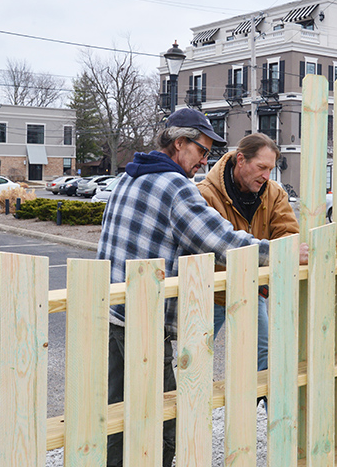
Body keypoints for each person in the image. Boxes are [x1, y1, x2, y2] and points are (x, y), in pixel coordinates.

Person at [97, 108, 284, 467]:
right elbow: (221, 241)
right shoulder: (174, 185)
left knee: (118, 415)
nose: (205, 160)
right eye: (201, 150)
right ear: (179, 142)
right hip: (143, 321)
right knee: (162, 421)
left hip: (113, 314)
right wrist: (281, 253)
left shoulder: (129, 177)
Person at [197, 133, 299, 375]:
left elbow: (288, 236)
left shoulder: (274, 193)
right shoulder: (204, 195)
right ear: (240, 160)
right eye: (261, 167)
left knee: (263, 361)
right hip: (211, 293)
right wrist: (266, 255)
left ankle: (264, 411)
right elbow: (210, 245)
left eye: (271, 169)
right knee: (195, 357)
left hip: (252, 290)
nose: (266, 176)